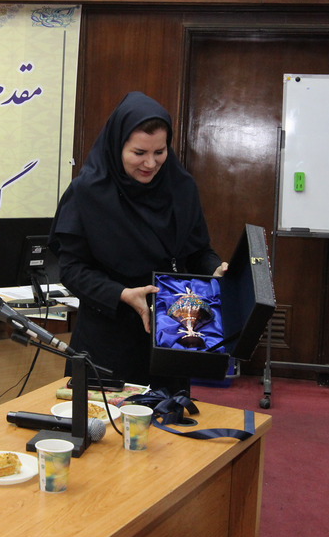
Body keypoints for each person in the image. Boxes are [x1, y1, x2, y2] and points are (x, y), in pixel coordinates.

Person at [49, 92, 225, 386]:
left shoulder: (181, 187)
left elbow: (196, 251)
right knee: (103, 415)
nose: (151, 163)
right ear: (117, 145)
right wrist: (121, 293)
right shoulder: (86, 193)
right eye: (139, 153)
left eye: (160, 152)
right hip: (108, 338)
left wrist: (215, 269)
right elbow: (71, 269)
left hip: (170, 333)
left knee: (167, 413)